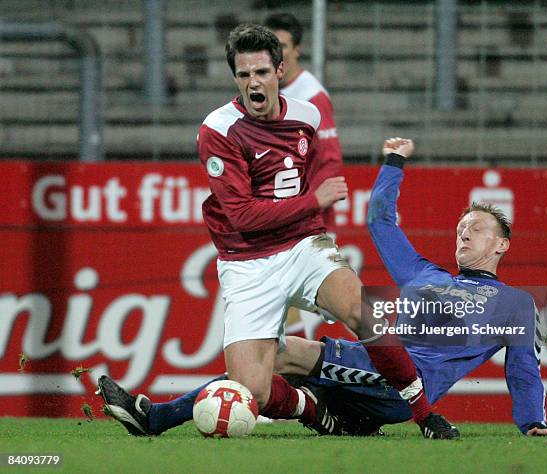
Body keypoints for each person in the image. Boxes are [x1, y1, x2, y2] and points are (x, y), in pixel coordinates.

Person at [98, 24, 457, 440]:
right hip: (247, 262)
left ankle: (426, 416)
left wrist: (312, 218)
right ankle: (316, 411)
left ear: (280, 71)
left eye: (262, 73)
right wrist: (314, 200)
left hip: (302, 245)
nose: (254, 83)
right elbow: (243, 217)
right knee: (252, 389)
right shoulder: (218, 130)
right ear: (235, 78)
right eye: (244, 74)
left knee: (365, 311)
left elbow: (293, 183)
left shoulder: (307, 115)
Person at [96, 138, 547, 439]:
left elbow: (524, 370)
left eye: (479, 228)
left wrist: (534, 424)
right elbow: (380, 218)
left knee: (279, 357)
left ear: (502, 244)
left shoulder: (516, 304)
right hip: (372, 367)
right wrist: (393, 163)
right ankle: (325, 416)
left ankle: (156, 418)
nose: (465, 233)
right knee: (276, 368)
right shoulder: (425, 274)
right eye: (462, 226)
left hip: (400, 388)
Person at [264, 13, 343, 230]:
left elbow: (330, 161)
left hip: (308, 222)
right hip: (277, 216)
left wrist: (308, 205)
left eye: (282, 46)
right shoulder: (264, 93)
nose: (275, 53)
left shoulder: (312, 96)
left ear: (297, 49)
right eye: (269, 46)